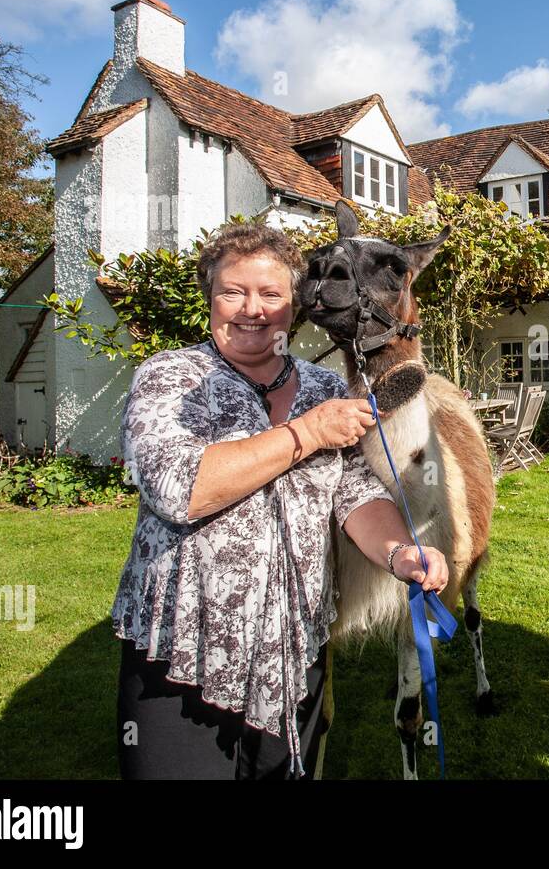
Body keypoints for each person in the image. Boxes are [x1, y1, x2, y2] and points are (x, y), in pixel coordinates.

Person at [112, 221, 448, 779]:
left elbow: (354, 490)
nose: (252, 309)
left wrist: (399, 553)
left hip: (295, 653)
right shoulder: (169, 377)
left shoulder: (322, 389)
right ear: (211, 300)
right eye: (233, 292)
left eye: (270, 294)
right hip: (184, 655)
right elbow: (179, 487)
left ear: (294, 305)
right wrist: (307, 434)